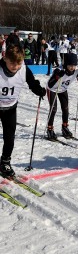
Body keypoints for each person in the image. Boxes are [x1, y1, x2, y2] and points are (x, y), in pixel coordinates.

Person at [0, 46, 46, 177]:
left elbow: (32, 83)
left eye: (18, 63)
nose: (15, 67)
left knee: (10, 138)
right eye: (12, 63)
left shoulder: (24, 69)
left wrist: (39, 90)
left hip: (10, 108)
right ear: (5, 59)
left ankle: (5, 162)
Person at [46, 53, 78, 140]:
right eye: (70, 65)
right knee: (53, 109)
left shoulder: (76, 70)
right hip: (52, 89)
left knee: (65, 108)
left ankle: (65, 127)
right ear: (66, 64)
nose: (72, 67)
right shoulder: (59, 70)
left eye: (74, 65)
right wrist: (57, 76)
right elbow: (50, 84)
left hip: (63, 89)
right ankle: (50, 129)